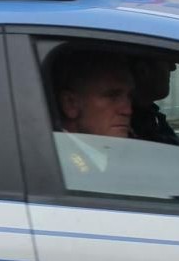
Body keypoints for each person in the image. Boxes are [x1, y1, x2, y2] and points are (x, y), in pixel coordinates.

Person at [51, 49, 136, 177]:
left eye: (129, 96)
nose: (128, 110)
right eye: (112, 96)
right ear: (71, 104)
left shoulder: (120, 154)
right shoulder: (58, 169)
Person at [129, 54, 179, 145]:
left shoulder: (151, 116)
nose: (173, 67)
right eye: (166, 60)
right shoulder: (127, 126)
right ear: (143, 70)